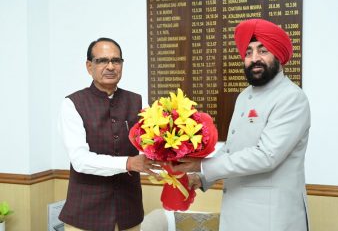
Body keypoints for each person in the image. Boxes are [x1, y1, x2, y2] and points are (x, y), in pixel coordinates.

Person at [171, 19, 311, 231]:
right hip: (236, 214)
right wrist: (201, 178)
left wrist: (200, 165)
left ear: (278, 55)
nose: (254, 59)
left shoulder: (291, 97)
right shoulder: (245, 96)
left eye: (263, 51)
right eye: (248, 52)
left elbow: (266, 156)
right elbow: (232, 148)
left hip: (272, 218)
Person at [58, 38, 158, 231]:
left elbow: (153, 143)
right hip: (85, 216)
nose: (110, 66)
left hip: (129, 214)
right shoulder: (72, 104)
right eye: (102, 61)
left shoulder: (138, 101)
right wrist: (128, 163)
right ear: (89, 66)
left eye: (116, 61)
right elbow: (80, 160)